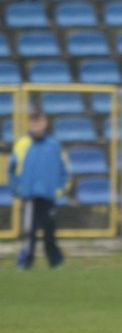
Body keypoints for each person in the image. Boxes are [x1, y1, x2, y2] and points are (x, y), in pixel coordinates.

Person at [8, 111, 69, 269]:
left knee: (50, 232)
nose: (36, 126)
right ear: (29, 124)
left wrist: (61, 189)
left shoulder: (54, 145)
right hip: (30, 196)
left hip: (49, 196)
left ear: (45, 123)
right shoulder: (22, 144)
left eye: (39, 122)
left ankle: (56, 263)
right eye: (33, 123)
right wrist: (17, 188)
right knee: (29, 233)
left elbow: (65, 169)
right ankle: (24, 263)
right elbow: (12, 169)